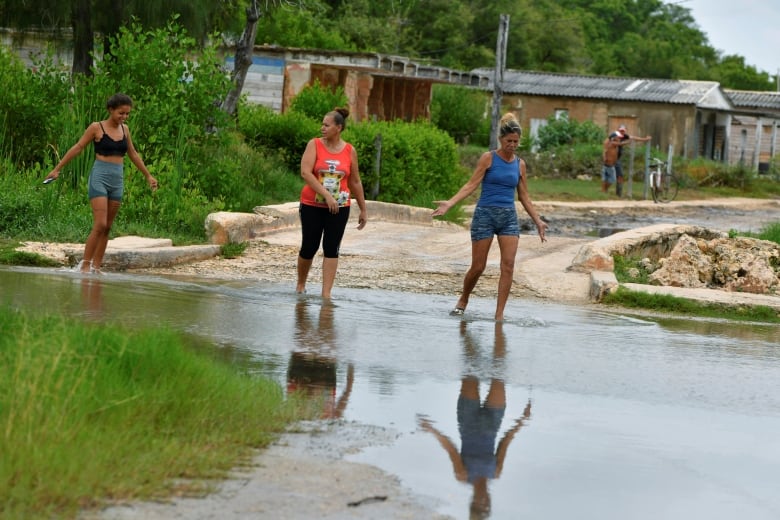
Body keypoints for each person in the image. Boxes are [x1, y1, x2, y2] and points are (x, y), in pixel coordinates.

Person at [432, 112, 547, 321]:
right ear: (501, 139)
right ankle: (463, 299)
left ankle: (499, 315)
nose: (512, 145)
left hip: (508, 218)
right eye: (509, 141)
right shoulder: (488, 158)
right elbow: (471, 184)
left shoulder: (520, 164)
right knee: (478, 266)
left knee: (508, 265)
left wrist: (537, 220)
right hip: (485, 215)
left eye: (516, 142)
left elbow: (524, 196)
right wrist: (450, 203)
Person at [417, 321, 532, 519]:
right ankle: (493, 332)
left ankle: (467, 332)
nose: (483, 502)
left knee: (471, 367)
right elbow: (505, 443)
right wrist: (522, 421)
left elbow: (450, 448)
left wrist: (432, 429)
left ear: (473, 503)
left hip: (468, 418)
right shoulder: (495, 472)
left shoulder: (463, 475)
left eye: (479, 506)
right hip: (494, 419)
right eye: (486, 506)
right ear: (489, 503)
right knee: (499, 370)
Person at [44, 93, 158, 274]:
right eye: (121, 113)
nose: (124, 117)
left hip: (117, 179)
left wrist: (148, 176)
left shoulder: (125, 130)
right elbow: (78, 147)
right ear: (111, 110)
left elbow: (133, 154)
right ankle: (85, 265)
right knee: (100, 224)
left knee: (108, 227)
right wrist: (57, 168)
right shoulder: (96, 128)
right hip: (100, 177)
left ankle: (97, 267)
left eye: (127, 114)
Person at [297, 107, 367, 298]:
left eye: (327, 125)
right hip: (312, 204)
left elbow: (355, 181)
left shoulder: (350, 151)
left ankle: (326, 294)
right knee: (309, 246)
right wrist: (326, 195)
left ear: (339, 127)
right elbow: (305, 172)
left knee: (332, 247)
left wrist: (363, 208)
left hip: (339, 207)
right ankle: (301, 284)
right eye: (322, 124)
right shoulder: (314, 145)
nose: (322, 128)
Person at [610, 124, 651, 197]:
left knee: (619, 176)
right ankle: (617, 194)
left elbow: (634, 138)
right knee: (617, 175)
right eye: (621, 131)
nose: (622, 132)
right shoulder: (614, 135)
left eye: (623, 131)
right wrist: (625, 143)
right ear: (618, 130)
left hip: (617, 159)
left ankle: (618, 194)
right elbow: (613, 143)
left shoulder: (624, 136)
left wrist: (645, 139)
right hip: (612, 158)